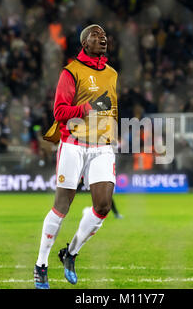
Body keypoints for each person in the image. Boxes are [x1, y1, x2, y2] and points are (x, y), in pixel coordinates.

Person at [34, 24, 118, 289]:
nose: (102, 38)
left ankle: (70, 253)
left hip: (102, 145)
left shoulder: (112, 74)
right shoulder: (71, 72)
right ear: (84, 43)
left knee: (103, 206)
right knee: (62, 206)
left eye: (104, 35)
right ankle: (41, 264)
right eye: (96, 35)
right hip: (73, 143)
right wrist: (90, 107)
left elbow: (112, 108)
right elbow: (59, 111)